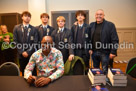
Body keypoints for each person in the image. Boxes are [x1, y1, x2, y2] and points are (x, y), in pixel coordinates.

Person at [89, 9, 119, 74]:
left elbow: (115, 39)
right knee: (96, 70)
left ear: (103, 16)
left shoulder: (110, 25)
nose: (98, 16)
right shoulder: (91, 25)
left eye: (100, 14)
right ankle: (98, 82)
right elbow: (89, 38)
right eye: (97, 14)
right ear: (95, 15)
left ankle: (105, 83)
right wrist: (90, 48)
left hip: (105, 53)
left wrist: (113, 52)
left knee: (105, 70)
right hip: (94, 52)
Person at [13, 11, 38, 76]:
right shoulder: (16, 28)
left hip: (31, 54)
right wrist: (22, 51)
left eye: (29, 16)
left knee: (33, 71)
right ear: (22, 17)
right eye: (25, 16)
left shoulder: (34, 29)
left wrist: (28, 52)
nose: (27, 18)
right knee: (23, 71)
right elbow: (15, 41)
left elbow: (35, 42)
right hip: (21, 54)